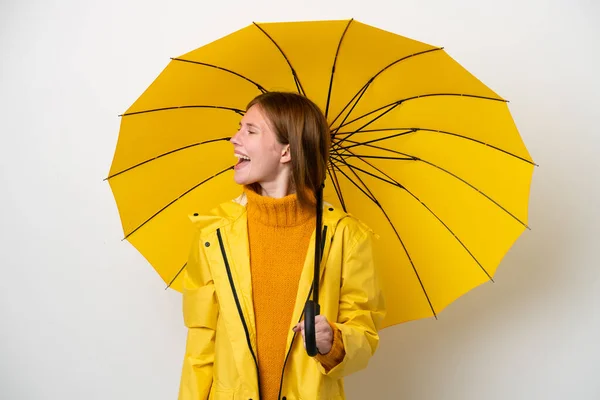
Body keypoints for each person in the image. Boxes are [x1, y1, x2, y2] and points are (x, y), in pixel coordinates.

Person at [178, 92, 385, 400]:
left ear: (286, 151)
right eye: (239, 128)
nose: (235, 138)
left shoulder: (346, 236)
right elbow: (201, 341)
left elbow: (364, 332)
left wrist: (335, 342)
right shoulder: (215, 234)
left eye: (250, 130)